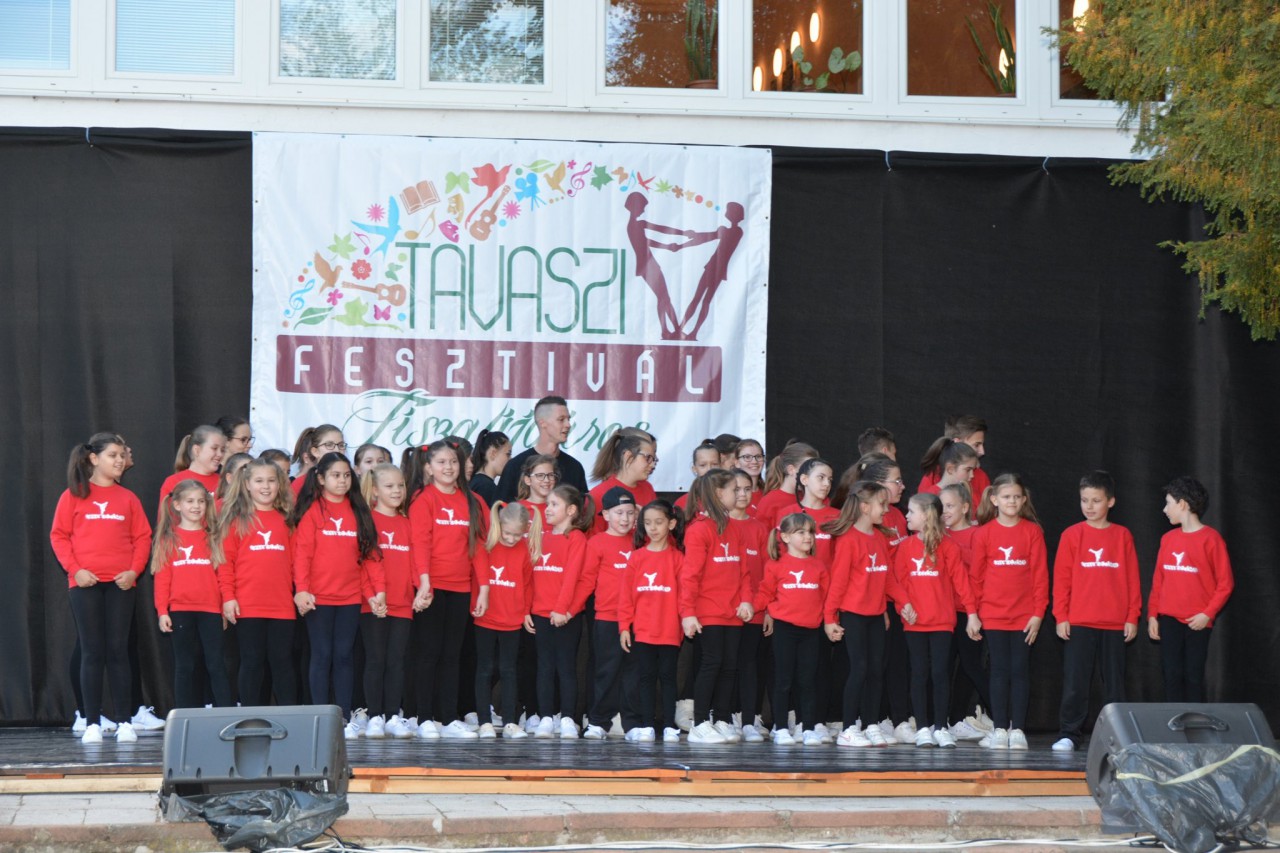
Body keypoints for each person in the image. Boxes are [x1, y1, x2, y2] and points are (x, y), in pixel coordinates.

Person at [50, 433, 152, 744]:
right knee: (92, 651)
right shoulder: (72, 496)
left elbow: (142, 538)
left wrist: (133, 571)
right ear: (94, 459)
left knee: (118, 651)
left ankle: (125, 722)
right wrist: (76, 570)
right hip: (85, 584)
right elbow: (59, 536)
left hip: (121, 584)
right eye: (113, 455)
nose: (120, 460)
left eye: (122, 455)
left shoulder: (128, 498)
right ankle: (91, 721)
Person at [291, 452, 380, 737]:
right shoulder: (313, 512)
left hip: (350, 597)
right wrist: (302, 590)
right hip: (318, 597)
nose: (342, 481)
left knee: (344, 656)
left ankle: (342, 716)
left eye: (346, 475)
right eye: (335, 475)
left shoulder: (358, 511)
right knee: (322, 654)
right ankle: (320, 716)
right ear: (320, 479)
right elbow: (302, 555)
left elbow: (366, 557)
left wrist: (373, 593)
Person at [1051, 471, 1141, 752]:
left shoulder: (1122, 536)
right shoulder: (1071, 535)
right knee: (1076, 682)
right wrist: (1061, 615)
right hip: (1079, 621)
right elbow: (1061, 579)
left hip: (1114, 623)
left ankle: (1118, 736)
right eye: (1084, 500)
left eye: (1096, 500)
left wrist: (1132, 616)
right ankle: (1069, 733)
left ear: (1110, 501)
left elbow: (1132, 579)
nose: (1089, 506)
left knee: (1114, 684)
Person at [405, 440, 487, 739]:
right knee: (428, 654)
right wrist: (424, 582)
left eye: (453, 461)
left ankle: (449, 718)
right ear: (428, 468)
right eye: (441, 462)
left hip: (461, 586)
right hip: (432, 587)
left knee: (452, 655)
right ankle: (424, 717)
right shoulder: (423, 499)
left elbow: (478, 546)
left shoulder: (471, 501)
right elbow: (420, 542)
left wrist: (484, 588)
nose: (449, 467)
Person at [892, 493, 980, 749]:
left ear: (927, 516)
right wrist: (903, 606)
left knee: (940, 673)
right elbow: (897, 583)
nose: (906, 516)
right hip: (915, 624)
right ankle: (922, 728)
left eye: (911, 511)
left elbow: (961, 583)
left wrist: (972, 614)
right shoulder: (905, 547)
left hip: (941, 622)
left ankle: (941, 727)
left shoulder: (948, 547)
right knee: (919, 673)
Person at [970, 473, 1048, 751]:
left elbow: (1040, 576)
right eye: (1006, 497)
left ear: (1024, 499)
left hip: (1024, 616)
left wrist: (1038, 614)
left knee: (1019, 670)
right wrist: (972, 613)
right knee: (999, 671)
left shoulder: (1032, 532)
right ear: (994, 499)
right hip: (993, 615)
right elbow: (976, 577)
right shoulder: (984, 533)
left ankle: (1018, 730)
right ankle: (1000, 728)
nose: (1011, 501)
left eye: (1016, 497)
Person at [822, 480, 901, 748]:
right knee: (859, 668)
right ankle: (847, 728)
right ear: (865, 507)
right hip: (853, 615)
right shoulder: (848, 540)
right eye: (882, 504)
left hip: (876, 615)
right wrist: (830, 618)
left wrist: (904, 603)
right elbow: (838, 583)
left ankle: (870, 724)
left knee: (877, 669)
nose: (886, 510)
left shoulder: (879, 537)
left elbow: (887, 579)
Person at [680, 470, 754, 744]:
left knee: (730, 665)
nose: (740, 494)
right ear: (719, 494)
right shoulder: (699, 530)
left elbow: (744, 571)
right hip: (708, 611)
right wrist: (688, 613)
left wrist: (746, 599)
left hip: (732, 611)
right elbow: (690, 576)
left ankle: (722, 719)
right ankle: (699, 723)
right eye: (734, 490)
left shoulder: (735, 528)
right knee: (711, 663)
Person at [216, 458, 297, 706]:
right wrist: (228, 597)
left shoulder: (287, 520)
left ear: (280, 484)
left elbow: (296, 562)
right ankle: (250, 714)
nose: (266, 486)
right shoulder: (236, 520)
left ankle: (288, 715)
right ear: (247, 485)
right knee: (251, 661)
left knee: (282, 662)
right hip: (248, 605)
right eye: (259, 481)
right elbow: (225, 563)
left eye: (271, 480)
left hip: (282, 606)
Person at [1147, 475, 1233, 703]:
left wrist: (1207, 614)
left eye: (1168, 503)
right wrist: (1153, 615)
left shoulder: (1211, 539)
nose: (1165, 509)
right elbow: (1158, 580)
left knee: (1193, 676)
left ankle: (1195, 721)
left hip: (1197, 622)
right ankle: (1173, 720)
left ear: (1183, 504)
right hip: (1169, 619)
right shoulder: (1167, 539)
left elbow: (1225, 583)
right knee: (1171, 674)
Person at [152, 479, 232, 710]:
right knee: (185, 665)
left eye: (201, 501)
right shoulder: (168, 539)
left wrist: (224, 606)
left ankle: (225, 713)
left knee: (216, 664)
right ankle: (184, 715)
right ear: (177, 505)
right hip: (180, 611)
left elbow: (223, 575)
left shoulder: (214, 537)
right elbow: (162, 579)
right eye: (190, 501)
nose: (196, 506)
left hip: (210, 611)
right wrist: (162, 611)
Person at [754, 513, 829, 746]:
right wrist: (751, 607)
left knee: (807, 681)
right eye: (801, 532)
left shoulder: (818, 566)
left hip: (811, 631)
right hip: (785, 630)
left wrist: (831, 620)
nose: (808, 537)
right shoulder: (775, 565)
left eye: (810, 532)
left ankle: (808, 728)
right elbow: (765, 593)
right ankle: (781, 728)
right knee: (783, 680)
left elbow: (826, 598)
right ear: (785, 537)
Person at [574, 487, 638, 739]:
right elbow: (587, 581)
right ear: (606, 515)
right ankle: (598, 721)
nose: (625, 518)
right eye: (619, 513)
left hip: (638, 620)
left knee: (634, 671)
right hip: (607, 617)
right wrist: (570, 609)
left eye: (630, 513)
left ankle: (632, 722)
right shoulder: (597, 543)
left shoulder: (640, 541)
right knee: (606, 671)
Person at [618, 500, 684, 743]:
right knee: (645, 678)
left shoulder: (678, 559)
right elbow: (626, 597)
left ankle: (668, 725)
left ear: (671, 524)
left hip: (669, 630)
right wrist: (624, 627)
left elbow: (684, 596)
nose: (653, 528)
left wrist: (684, 623)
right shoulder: (637, 558)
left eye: (658, 522)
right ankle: (646, 724)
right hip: (643, 631)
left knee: (668, 678)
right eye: (647, 523)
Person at [472, 501, 539, 739]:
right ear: (499, 525)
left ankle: (510, 721)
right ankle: (484, 722)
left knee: (509, 670)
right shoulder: (485, 545)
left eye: (517, 535)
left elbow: (527, 583)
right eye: (507, 533)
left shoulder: (524, 549)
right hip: (486, 617)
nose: (511, 539)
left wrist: (526, 611)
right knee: (485, 669)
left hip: (512, 619)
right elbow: (479, 578)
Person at [530, 485, 592, 739]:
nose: (548, 509)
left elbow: (573, 577)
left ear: (571, 510)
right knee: (544, 667)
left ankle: (567, 717)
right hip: (540, 613)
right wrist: (527, 609)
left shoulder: (576, 538)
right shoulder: (540, 536)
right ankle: (546, 717)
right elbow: (529, 575)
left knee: (566, 667)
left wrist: (564, 610)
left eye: (554, 504)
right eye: (547, 504)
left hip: (565, 616)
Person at [359, 464, 416, 740]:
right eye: (389, 486)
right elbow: (362, 563)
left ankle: (393, 715)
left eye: (400, 485)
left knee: (396, 661)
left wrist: (420, 590)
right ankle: (374, 716)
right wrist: (371, 596)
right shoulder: (367, 521)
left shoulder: (407, 523)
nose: (396, 491)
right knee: (375, 660)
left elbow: (415, 561)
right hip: (372, 604)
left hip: (402, 603)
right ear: (375, 490)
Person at [938, 483, 993, 740]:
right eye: (941, 506)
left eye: (950, 506)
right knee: (944, 667)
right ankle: (948, 720)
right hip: (943, 613)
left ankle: (1001, 716)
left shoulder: (977, 534)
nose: (945, 511)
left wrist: (976, 612)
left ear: (965, 507)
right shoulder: (939, 535)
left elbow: (983, 571)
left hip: (970, 612)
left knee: (970, 666)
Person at [729, 469, 769, 743]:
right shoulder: (718, 526)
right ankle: (725, 716)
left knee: (749, 664)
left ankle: (748, 720)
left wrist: (766, 609)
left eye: (747, 489)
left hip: (755, 610)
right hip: (723, 613)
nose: (743, 494)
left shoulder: (759, 528)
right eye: (736, 489)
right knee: (724, 665)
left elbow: (768, 573)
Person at [496, 396, 588, 502]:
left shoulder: (575, 467)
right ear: (542, 423)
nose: (568, 425)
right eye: (561, 419)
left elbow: (583, 508)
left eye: (568, 419)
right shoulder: (515, 466)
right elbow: (500, 508)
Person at [588, 429, 658, 533]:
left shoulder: (647, 488)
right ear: (628, 456)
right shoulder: (598, 494)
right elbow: (595, 539)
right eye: (648, 458)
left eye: (654, 459)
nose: (652, 464)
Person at [917, 416, 990, 506]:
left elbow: (987, 511)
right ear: (957, 443)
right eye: (976, 445)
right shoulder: (932, 478)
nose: (982, 452)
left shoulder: (981, 476)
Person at [159, 425, 226, 517]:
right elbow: (166, 520)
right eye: (214, 448)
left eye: (222, 450)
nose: (220, 454)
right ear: (197, 450)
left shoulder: (224, 482)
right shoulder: (174, 481)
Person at [756, 441, 820, 530]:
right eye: (807, 469)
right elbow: (761, 535)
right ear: (791, 470)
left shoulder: (812, 497)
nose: (812, 474)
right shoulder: (770, 501)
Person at [291, 424, 347, 495]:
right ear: (315, 451)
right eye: (329, 445)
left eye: (341, 445)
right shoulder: (300, 485)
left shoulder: (349, 482)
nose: (337, 450)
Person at [469, 429, 512, 507]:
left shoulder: (479, 482)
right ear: (493, 454)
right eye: (508, 454)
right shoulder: (485, 487)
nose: (510, 459)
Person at [674, 440, 721, 511]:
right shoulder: (683, 502)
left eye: (714, 464)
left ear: (721, 466)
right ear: (694, 469)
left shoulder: (730, 498)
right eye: (703, 465)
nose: (709, 469)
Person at [517, 454, 556, 529]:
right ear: (528, 480)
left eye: (551, 475)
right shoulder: (516, 509)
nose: (547, 480)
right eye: (540, 475)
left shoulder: (560, 509)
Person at [733, 439, 766, 514]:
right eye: (747, 457)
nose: (754, 461)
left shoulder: (768, 493)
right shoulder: (729, 494)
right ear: (737, 463)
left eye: (758, 456)